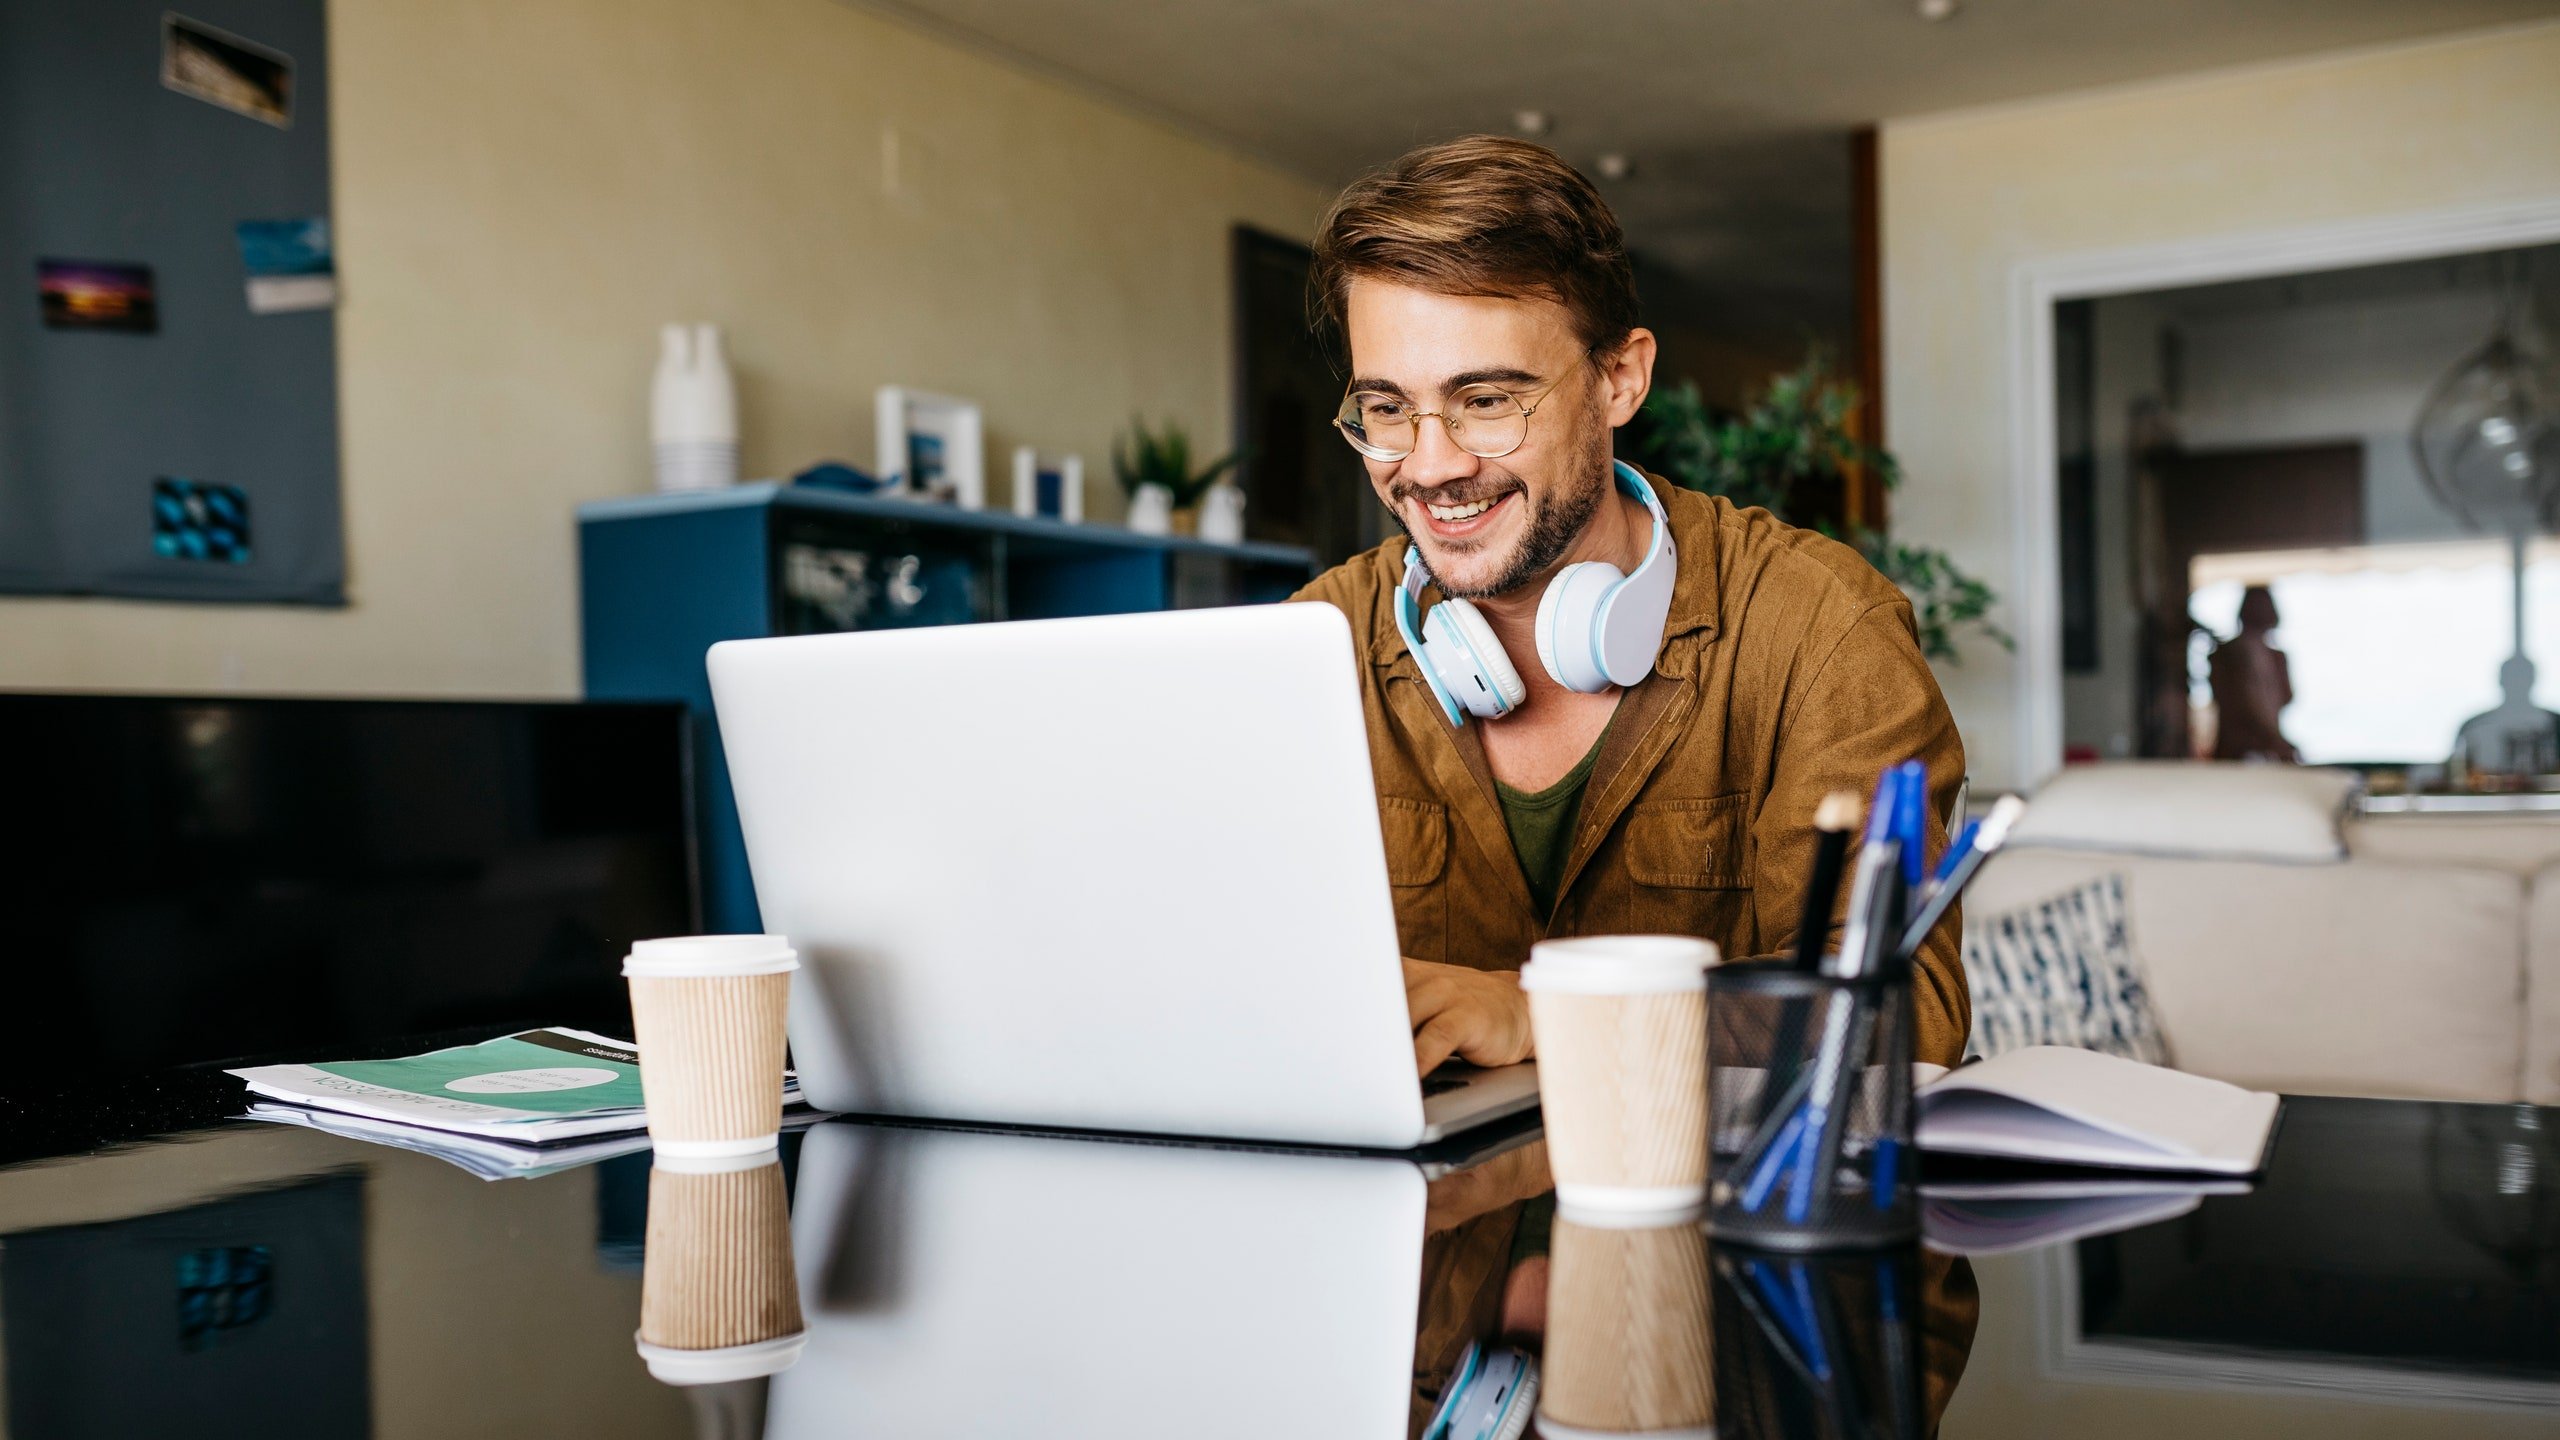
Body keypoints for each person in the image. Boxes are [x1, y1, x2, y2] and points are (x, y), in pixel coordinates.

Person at [1291, 136, 1970, 1073]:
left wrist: (1553, 1016)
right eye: (1386, 409)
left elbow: (1901, 1014)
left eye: (1487, 401)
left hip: (1713, 1215)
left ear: (1620, 379)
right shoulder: (1310, 646)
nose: (1431, 463)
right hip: (1408, 1220)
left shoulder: (1819, 629)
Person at [2207, 586, 2300, 763]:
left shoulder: (2275, 657)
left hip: (2263, 749)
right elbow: (2246, 700)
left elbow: (2286, 696)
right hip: (2239, 751)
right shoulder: (2232, 654)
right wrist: (2274, 739)